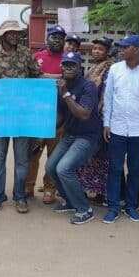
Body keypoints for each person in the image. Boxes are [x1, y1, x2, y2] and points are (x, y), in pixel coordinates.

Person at [0, 19, 42, 215]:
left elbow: (37, 76)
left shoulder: (26, 54)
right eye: (11, 33)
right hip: (0, 115)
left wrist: (55, 81)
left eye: (17, 33)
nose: (15, 36)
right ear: (3, 35)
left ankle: (19, 197)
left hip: (22, 115)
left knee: (22, 160)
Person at [101, 35, 139, 224]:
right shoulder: (115, 69)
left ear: (137, 50)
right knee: (115, 168)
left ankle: (132, 206)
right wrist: (106, 123)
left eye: (125, 47)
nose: (121, 50)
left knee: (135, 169)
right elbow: (108, 98)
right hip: (117, 127)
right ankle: (113, 206)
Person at [46, 51, 102, 225]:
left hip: (88, 136)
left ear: (80, 68)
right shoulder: (62, 86)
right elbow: (62, 116)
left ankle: (84, 209)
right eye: (65, 64)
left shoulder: (88, 86)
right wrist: (44, 131)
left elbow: (84, 115)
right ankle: (70, 200)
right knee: (51, 167)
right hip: (70, 134)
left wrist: (66, 95)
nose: (68, 68)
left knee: (64, 168)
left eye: (72, 65)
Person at [28, 25, 66, 204]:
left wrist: (44, 77)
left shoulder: (68, 59)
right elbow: (29, 80)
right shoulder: (36, 58)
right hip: (37, 114)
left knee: (54, 156)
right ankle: (28, 186)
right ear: (47, 39)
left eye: (61, 37)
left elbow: (71, 80)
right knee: (33, 154)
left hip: (60, 116)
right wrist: (55, 78)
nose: (57, 40)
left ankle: (50, 188)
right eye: (54, 37)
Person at [78, 36, 115, 205]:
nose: (96, 51)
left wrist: (97, 112)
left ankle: (102, 193)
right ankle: (88, 189)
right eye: (94, 48)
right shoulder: (94, 69)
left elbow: (106, 95)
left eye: (100, 49)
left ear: (107, 52)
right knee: (90, 156)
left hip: (102, 118)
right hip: (90, 118)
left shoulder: (110, 69)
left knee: (102, 156)